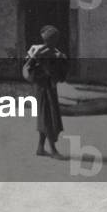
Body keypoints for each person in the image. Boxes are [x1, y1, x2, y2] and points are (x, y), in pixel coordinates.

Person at [24, 24, 68, 159]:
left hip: (50, 88)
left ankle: (40, 148)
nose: (55, 41)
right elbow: (29, 69)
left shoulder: (55, 52)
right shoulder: (39, 52)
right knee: (48, 117)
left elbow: (60, 74)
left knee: (46, 116)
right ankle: (53, 150)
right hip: (43, 88)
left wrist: (62, 60)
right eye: (53, 39)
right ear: (48, 39)